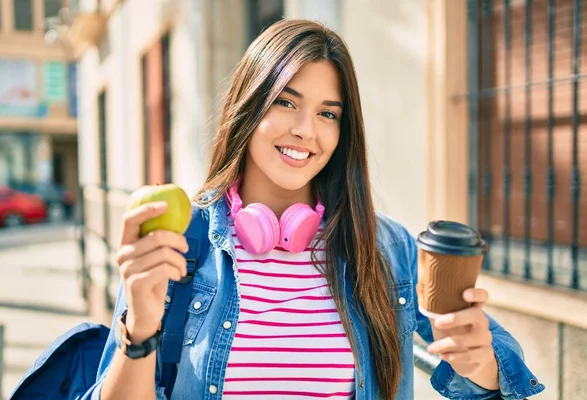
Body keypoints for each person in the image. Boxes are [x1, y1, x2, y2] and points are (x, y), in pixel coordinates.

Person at [85, 19, 545, 400]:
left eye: (328, 113)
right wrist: (139, 329)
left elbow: (499, 375)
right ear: (248, 107)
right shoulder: (181, 242)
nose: (306, 130)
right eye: (286, 102)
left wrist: (477, 358)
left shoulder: (386, 249)